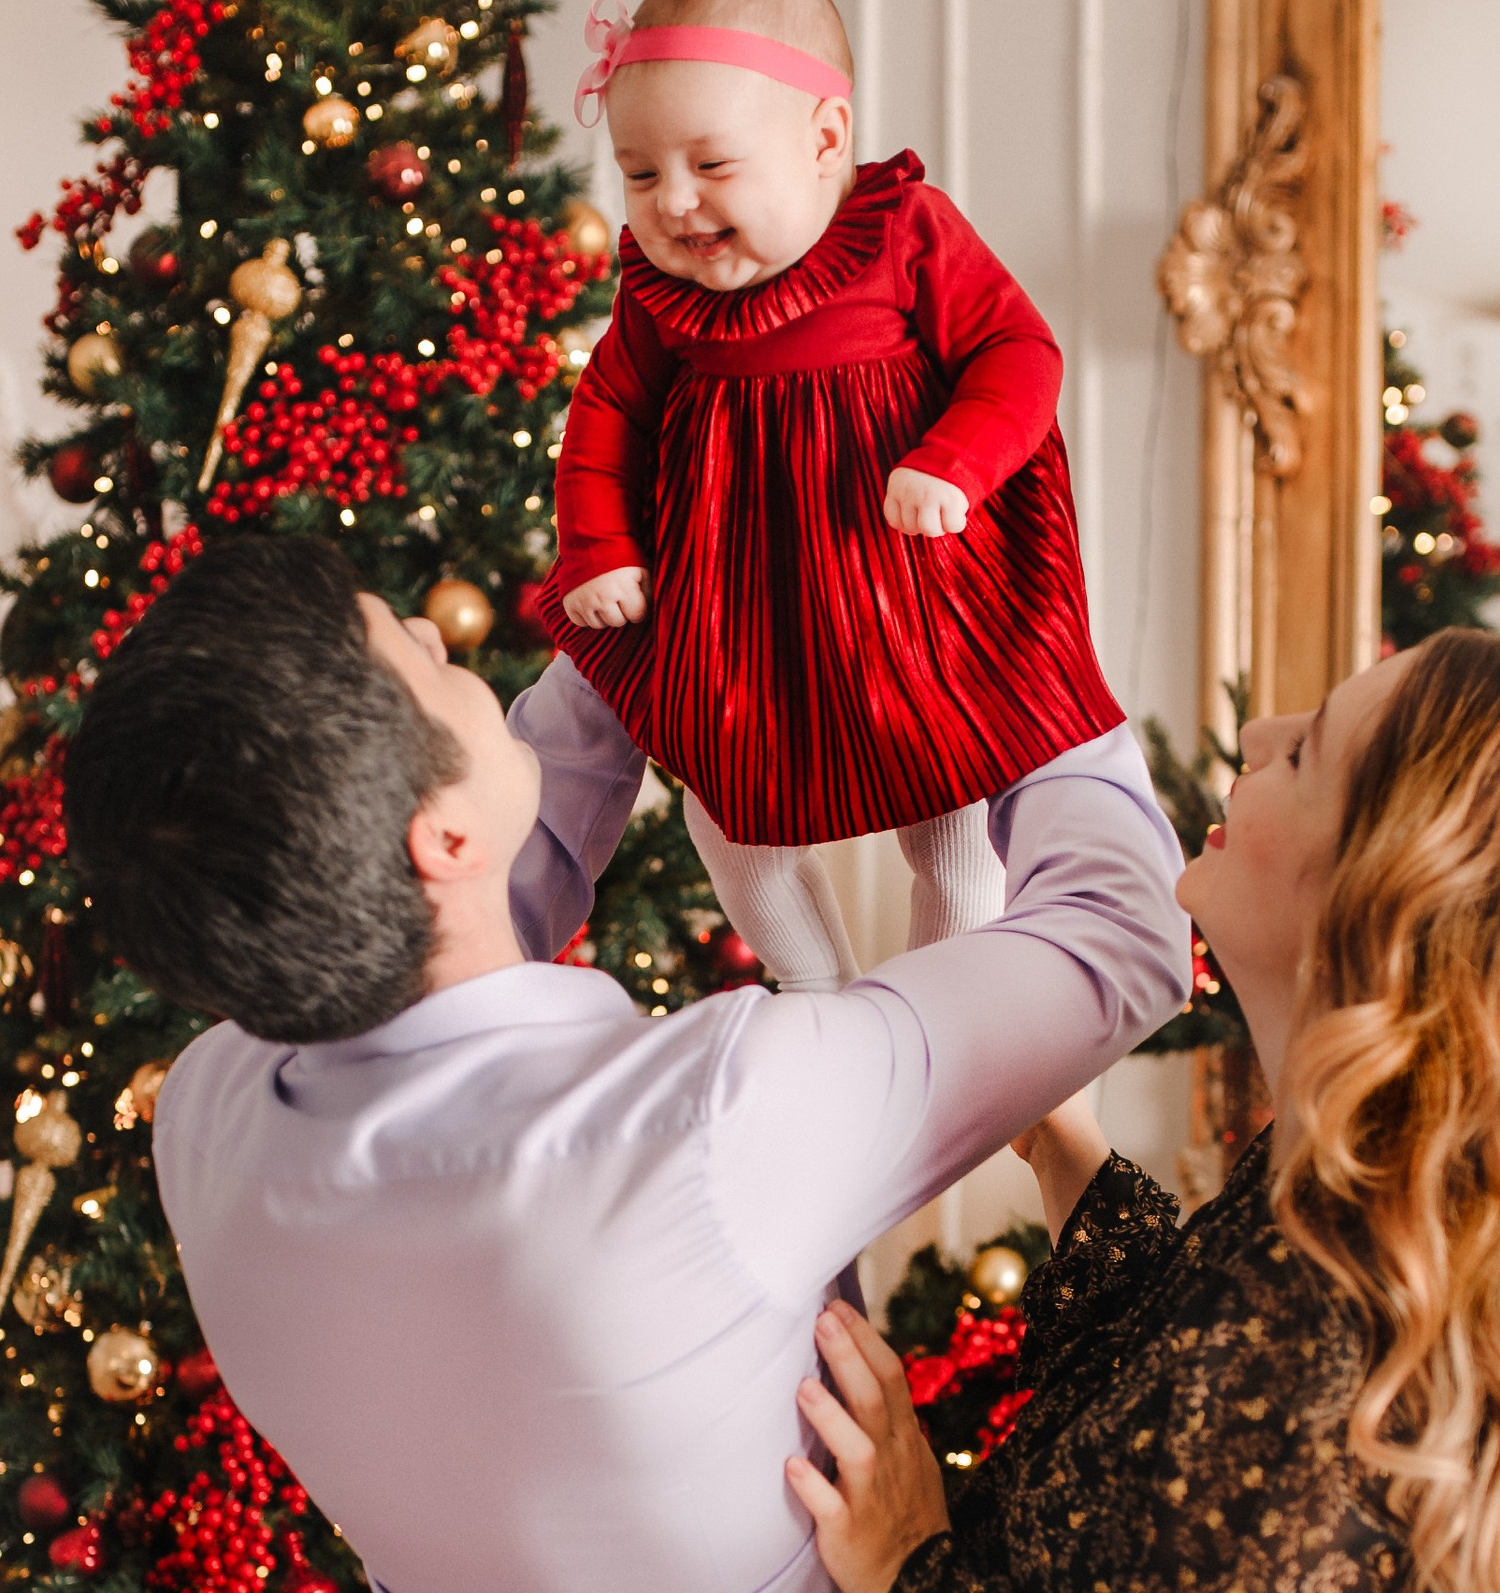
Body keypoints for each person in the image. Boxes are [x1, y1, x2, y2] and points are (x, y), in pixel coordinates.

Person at [59, 535, 1195, 1593]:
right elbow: (1123, 935)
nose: (439, 634)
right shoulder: (710, 1123)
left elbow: (454, 903)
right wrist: (1023, 629)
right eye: (413, 650)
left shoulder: (207, 1115)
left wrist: (657, 592)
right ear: (440, 837)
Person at [788, 630, 1500, 1593]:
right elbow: (1160, 1379)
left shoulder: (1314, 1383)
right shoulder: (1365, 1199)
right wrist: (1061, 1143)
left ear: (1381, 907)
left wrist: (908, 1560)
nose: (1257, 732)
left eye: (1303, 753)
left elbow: (1200, 1442)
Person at [549, 0, 1123, 990]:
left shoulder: (906, 232)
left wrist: (956, 460)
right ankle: (824, 1000)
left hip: (905, 597)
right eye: (639, 173)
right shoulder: (658, 294)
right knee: (725, 822)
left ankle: (935, 1024)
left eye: (710, 164)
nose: (672, 202)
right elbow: (607, 414)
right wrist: (596, 545)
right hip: (744, 612)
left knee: (950, 817)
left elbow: (1017, 351)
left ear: (824, 139)